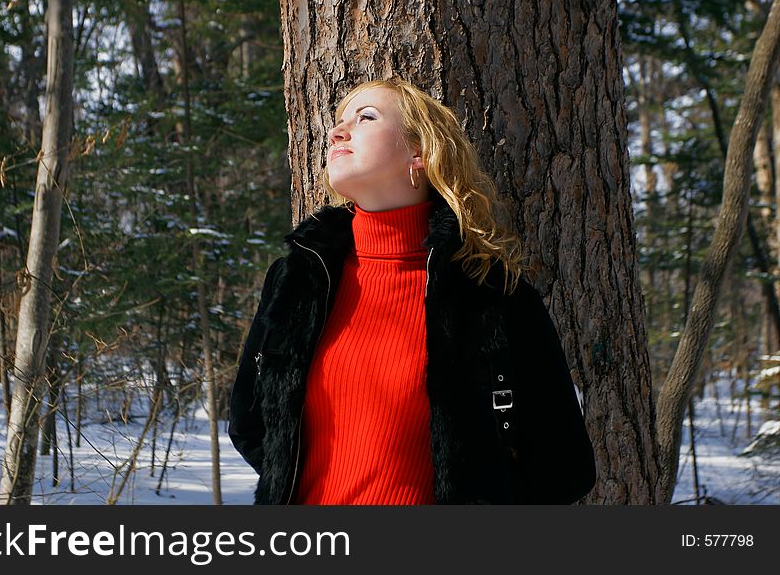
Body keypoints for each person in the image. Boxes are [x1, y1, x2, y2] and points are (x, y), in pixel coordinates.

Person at [228, 77, 596, 504]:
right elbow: (249, 422)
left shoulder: (490, 295)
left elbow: (565, 467)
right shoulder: (297, 278)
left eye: (365, 117)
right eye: (339, 120)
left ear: (418, 152)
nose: (337, 131)